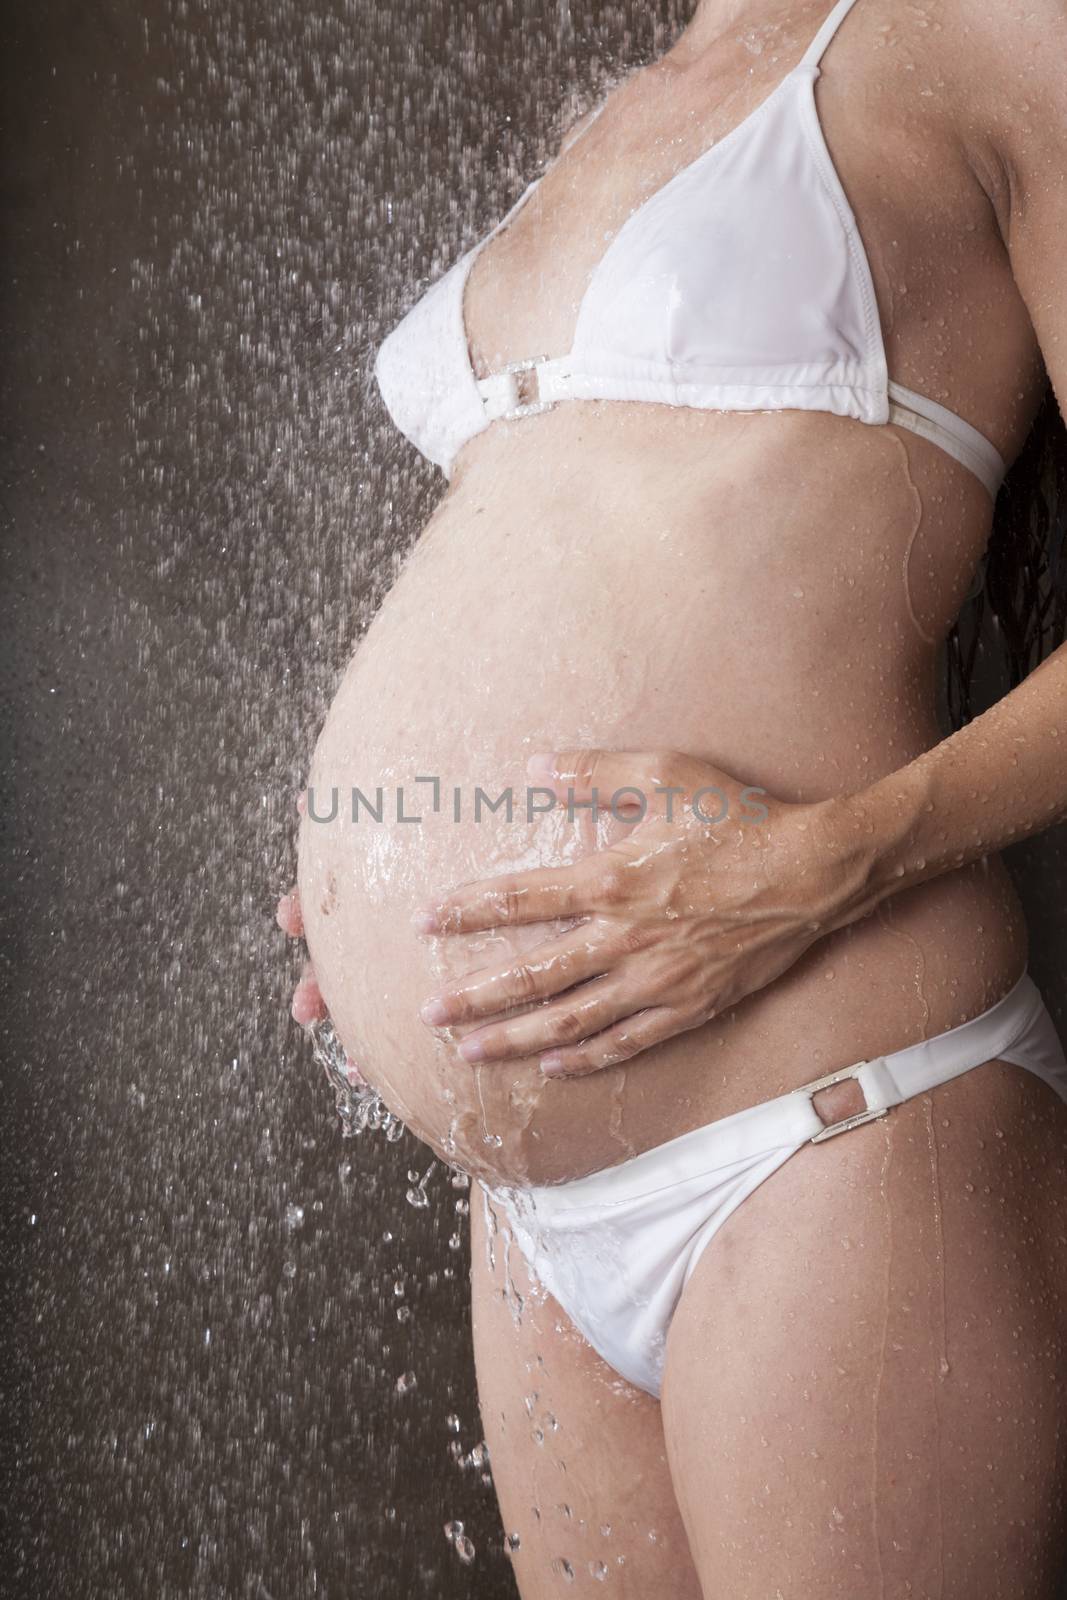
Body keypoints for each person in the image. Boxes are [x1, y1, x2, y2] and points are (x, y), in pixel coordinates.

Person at [280, 0, 1067, 1591]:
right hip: (541, 1207)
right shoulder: (636, 92)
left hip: (831, 1128)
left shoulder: (992, 32)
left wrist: (824, 862)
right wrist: (388, 873)